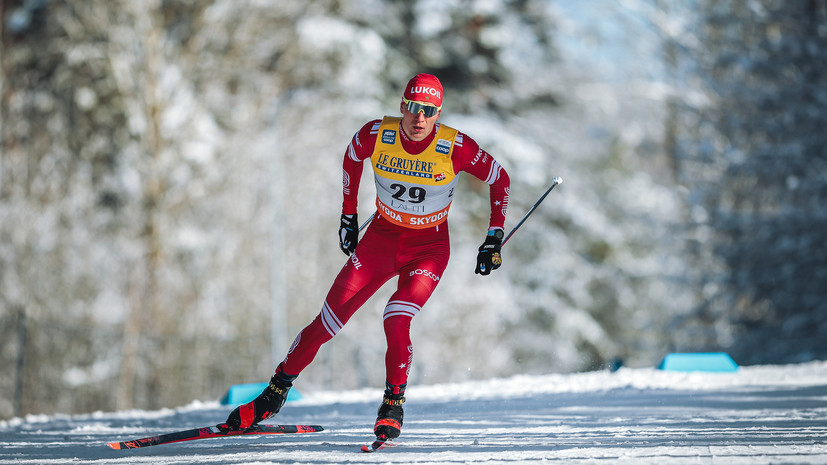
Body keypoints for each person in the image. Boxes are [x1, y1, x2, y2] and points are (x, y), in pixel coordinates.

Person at [221, 73, 511, 442]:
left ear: (438, 113)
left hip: (429, 248)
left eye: (429, 111)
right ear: (401, 106)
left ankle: (393, 405)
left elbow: (499, 177)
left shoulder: (456, 146)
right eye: (412, 108)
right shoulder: (378, 134)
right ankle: (273, 395)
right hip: (381, 240)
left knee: (396, 317)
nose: (419, 119)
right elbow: (352, 155)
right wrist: (348, 215)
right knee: (325, 323)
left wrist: (493, 236)